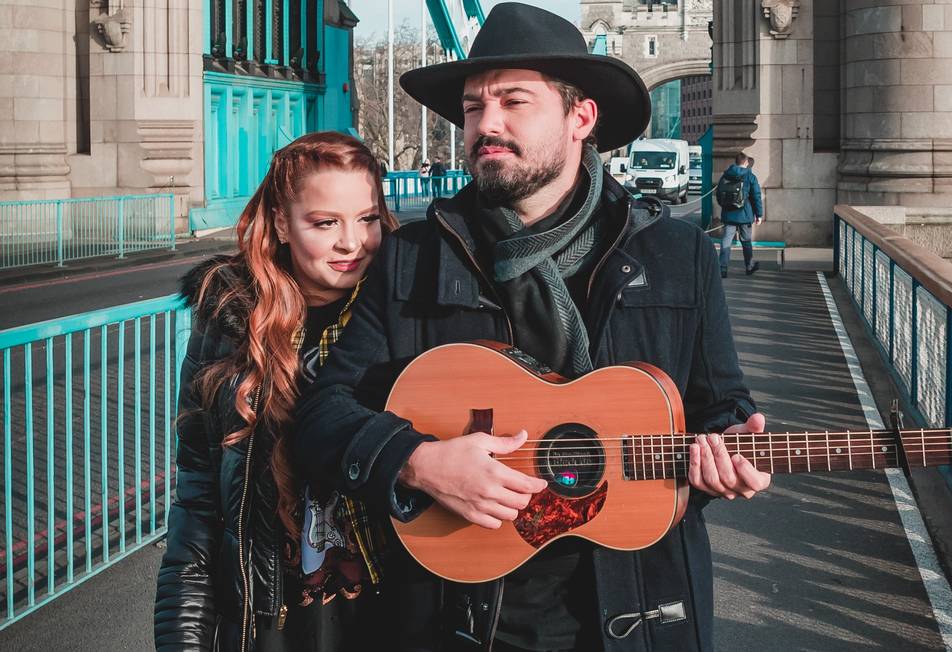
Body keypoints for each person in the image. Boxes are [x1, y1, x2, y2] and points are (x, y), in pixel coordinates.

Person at [291, 4, 770, 651]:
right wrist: (417, 462)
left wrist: (731, 450)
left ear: (581, 117)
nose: (485, 123)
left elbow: (719, 407)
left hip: (636, 609)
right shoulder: (415, 257)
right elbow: (321, 415)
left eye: (514, 101)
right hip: (457, 615)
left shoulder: (679, 256)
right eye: (471, 107)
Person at [154, 132, 399, 652]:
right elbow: (198, 502)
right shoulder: (230, 322)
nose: (351, 243)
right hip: (268, 618)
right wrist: (184, 637)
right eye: (325, 222)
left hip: (391, 614)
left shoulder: (410, 317)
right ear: (283, 224)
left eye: (368, 219)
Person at [715, 152, 764, 278]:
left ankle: (722, 268)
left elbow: (719, 193)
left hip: (728, 214)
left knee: (726, 241)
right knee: (746, 241)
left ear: (736, 162)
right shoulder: (750, 176)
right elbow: (756, 197)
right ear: (746, 162)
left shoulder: (726, 175)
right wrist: (759, 214)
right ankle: (749, 266)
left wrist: (725, 206)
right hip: (745, 215)